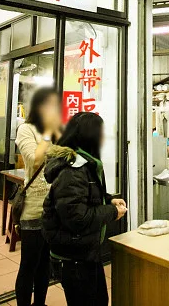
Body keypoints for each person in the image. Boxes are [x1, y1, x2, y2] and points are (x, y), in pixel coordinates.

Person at [42, 112, 126, 306]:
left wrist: (109, 200)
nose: (104, 137)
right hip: (73, 257)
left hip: (85, 251)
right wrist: (112, 213)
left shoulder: (85, 164)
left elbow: (86, 197)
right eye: (101, 132)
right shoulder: (73, 170)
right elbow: (77, 218)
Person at [14, 87, 62, 306]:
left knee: (45, 264)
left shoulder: (53, 130)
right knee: (29, 264)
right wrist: (47, 134)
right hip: (34, 204)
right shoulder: (26, 130)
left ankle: (40, 303)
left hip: (53, 205)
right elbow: (33, 160)